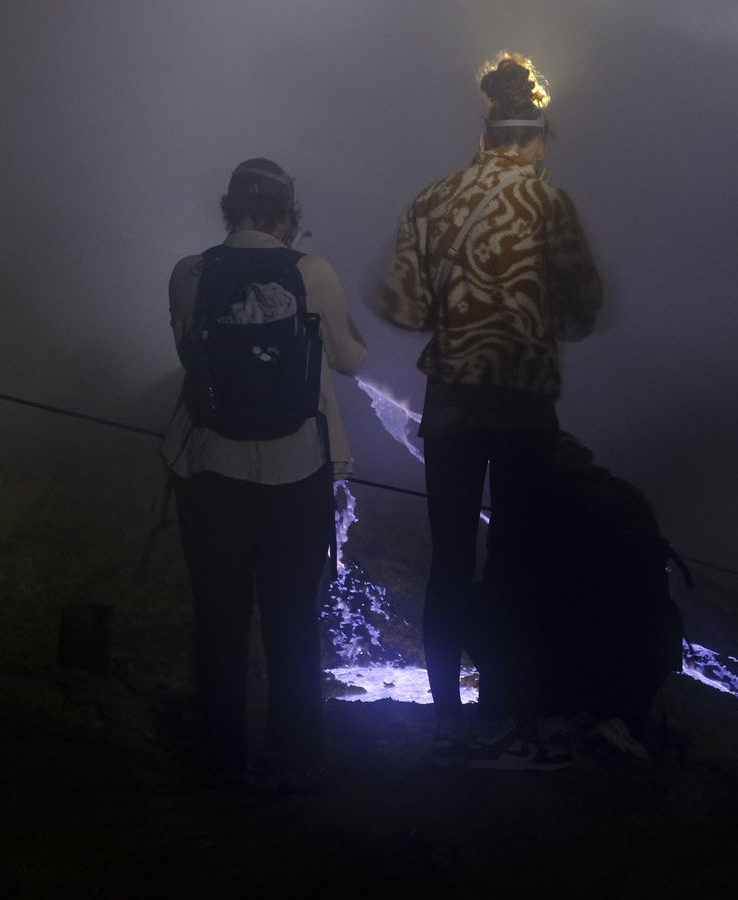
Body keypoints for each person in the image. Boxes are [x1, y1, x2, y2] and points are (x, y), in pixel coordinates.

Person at [380, 53, 603, 769]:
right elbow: (584, 311)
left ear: (483, 136)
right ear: (536, 141)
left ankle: (447, 721)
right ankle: (509, 716)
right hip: (525, 405)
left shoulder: (431, 199)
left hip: (451, 405)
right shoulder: (552, 205)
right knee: (514, 560)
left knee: (449, 560)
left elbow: (403, 307)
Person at [161, 158, 367, 789]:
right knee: (290, 616)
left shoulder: (189, 273)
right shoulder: (313, 272)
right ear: (288, 216)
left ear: (230, 209)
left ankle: (220, 757)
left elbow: (187, 356)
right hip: (295, 469)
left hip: (209, 467)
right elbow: (352, 361)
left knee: (218, 616)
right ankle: (296, 754)